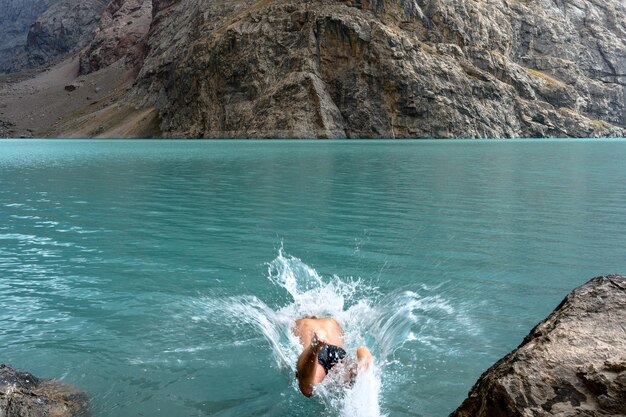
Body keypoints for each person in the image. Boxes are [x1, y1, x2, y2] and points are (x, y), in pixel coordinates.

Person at [293, 316, 373, 397]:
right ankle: (360, 356)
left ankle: (314, 347)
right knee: (348, 377)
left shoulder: (300, 322)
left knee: (309, 388)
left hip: (319, 352)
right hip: (338, 351)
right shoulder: (332, 322)